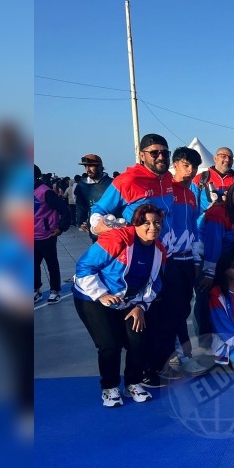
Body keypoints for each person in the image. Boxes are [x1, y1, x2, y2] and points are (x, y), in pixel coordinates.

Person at [73, 204, 167, 407]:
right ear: (136, 224)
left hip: (128, 301)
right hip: (91, 297)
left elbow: (156, 282)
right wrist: (101, 294)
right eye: (146, 223)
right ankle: (109, 387)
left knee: (137, 340)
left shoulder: (159, 250)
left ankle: (133, 383)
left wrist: (141, 306)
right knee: (109, 344)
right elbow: (84, 266)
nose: (153, 227)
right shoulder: (118, 239)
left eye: (157, 222)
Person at [148, 147, 203, 380]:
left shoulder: (191, 194)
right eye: (186, 165)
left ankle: (179, 355)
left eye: (195, 167)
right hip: (167, 261)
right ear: (175, 165)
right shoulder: (163, 190)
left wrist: (197, 260)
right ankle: (177, 356)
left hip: (187, 261)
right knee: (171, 311)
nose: (191, 171)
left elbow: (194, 228)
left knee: (183, 309)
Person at [196, 180, 234, 339]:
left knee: (225, 296)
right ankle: (206, 338)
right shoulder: (218, 213)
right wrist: (209, 273)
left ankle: (227, 332)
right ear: (229, 196)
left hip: (223, 260)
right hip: (204, 259)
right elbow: (213, 243)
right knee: (206, 296)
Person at [89, 133, 174, 238]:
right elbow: (100, 208)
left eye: (165, 153)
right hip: (139, 245)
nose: (161, 157)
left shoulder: (168, 177)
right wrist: (96, 227)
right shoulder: (128, 180)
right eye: (154, 153)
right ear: (142, 156)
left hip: (167, 245)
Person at [34, 164, 71, 304]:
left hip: (46, 235)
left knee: (51, 264)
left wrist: (61, 228)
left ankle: (55, 290)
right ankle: (35, 290)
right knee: (32, 265)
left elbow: (65, 210)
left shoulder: (45, 192)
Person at [192, 147, 234, 215]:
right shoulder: (200, 178)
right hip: (206, 220)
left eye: (230, 158)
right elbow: (191, 205)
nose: (227, 159)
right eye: (223, 156)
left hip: (231, 220)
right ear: (215, 158)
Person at [74, 153, 112, 240]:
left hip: (113, 228)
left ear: (100, 166)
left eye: (91, 166)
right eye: (85, 166)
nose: (88, 169)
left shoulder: (113, 183)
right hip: (95, 230)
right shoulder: (82, 186)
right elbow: (81, 206)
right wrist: (81, 221)